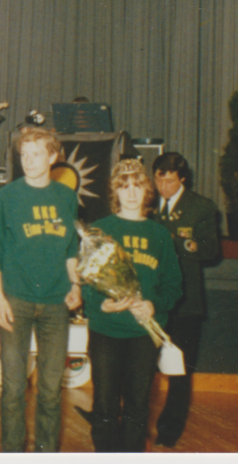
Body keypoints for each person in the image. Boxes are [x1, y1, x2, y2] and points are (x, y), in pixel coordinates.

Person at [0, 126, 82, 453]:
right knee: (13, 388)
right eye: (23, 154)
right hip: (16, 300)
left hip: (56, 304)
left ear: (52, 156)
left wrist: (76, 285)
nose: (28, 160)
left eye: (36, 154)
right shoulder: (6, 196)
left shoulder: (66, 197)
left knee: (51, 390)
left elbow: (71, 248)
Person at [82, 159, 182, 452]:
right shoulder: (100, 230)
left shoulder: (159, 235)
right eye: (124, 186)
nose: (131, 193)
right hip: (106, 330)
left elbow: (174, 286)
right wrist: (102, 306)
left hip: (143, 333)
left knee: (138, 405)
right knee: (103, 404)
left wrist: (153, 305)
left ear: (146, 191)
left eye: (137, 186)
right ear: (115, 191)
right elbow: (87, 282)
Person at [151, 152, 220, 448]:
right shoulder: (146, 205)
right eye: (158, 179)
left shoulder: (201, 207)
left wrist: (185, 244)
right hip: (151, 301)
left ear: (182, 179)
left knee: (179, 370)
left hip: (185, 303)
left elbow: (211, 250)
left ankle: (170, 428)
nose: (162, 186)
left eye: (168, 180)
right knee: (140, 364)